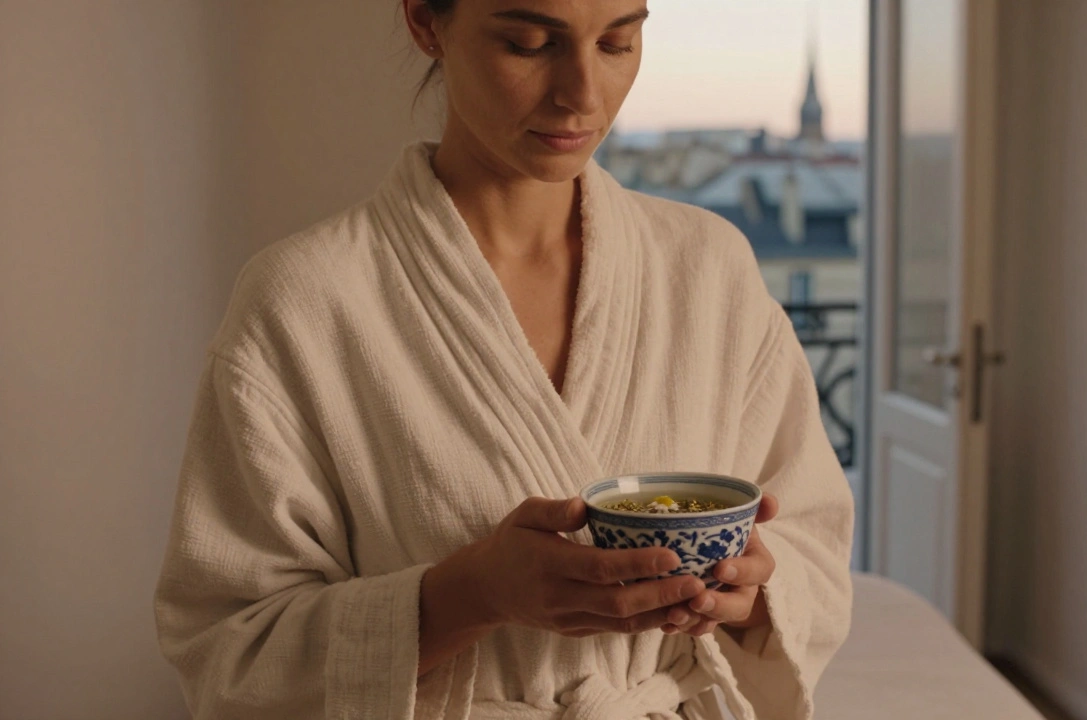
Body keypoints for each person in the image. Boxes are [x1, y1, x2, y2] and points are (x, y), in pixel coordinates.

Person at [152, 1, 854, 718]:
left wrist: (755, 590)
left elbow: (814, 544)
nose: (582, 92)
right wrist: (469, 594)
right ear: (426, 23)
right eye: (529, 43)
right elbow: (227, 650)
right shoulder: (304, 299)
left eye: (618, 42)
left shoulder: (709, 268)